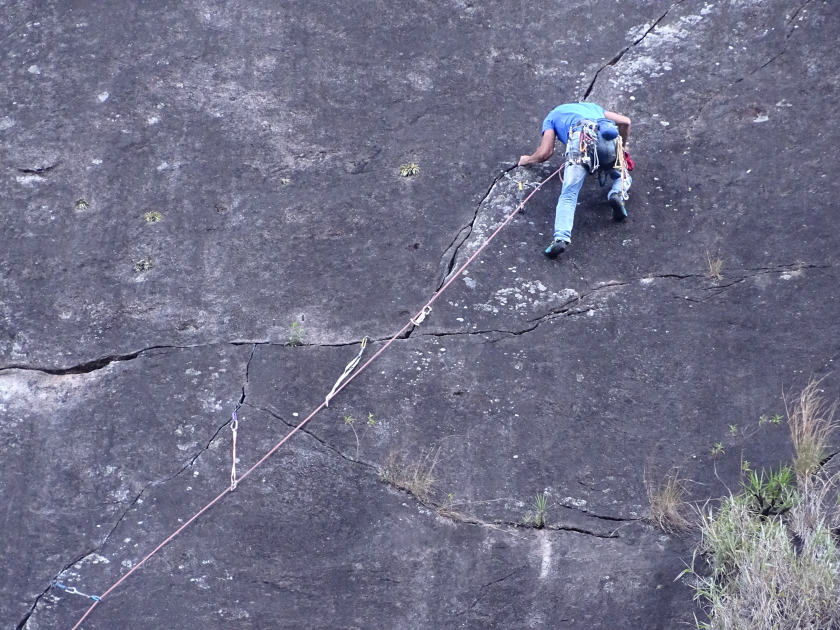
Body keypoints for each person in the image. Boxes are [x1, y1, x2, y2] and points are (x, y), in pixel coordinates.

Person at [519, 102, 632, 258]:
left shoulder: (552, 116)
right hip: (607, 138)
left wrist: (527, 160)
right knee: (621, 174)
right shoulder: (593, 107)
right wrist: (624, 146)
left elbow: (545, 152)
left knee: (569, 194)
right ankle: (617, 193)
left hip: (582, 139)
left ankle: (561, 238)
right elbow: (625, 122)